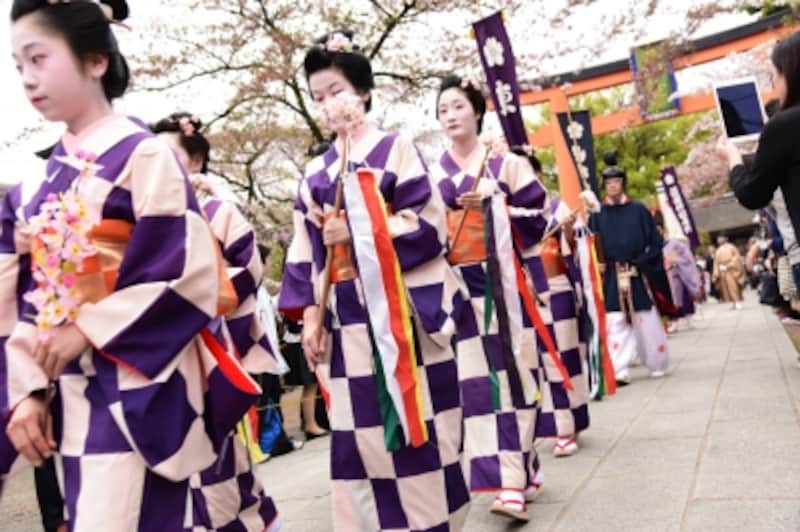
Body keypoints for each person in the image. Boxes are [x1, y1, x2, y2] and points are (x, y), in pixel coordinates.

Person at [2, 2, 272, 529]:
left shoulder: (143, 154)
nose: (29, 80)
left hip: (137, 382)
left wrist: (85, 327)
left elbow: (188, 272)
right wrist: (27, 389)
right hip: (69, 393)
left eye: (39, 59)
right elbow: (17, 299)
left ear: (96, 60)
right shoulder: (33, 185)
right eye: (18, 66)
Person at [278, 31, 469, 531]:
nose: (329, 105)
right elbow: (305, 254)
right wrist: (311, 317)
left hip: (401, 314)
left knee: (419, 422)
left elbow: (429, 225)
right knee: (359, 436)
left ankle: (431, 522)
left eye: (338, 91)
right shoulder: (314, 173)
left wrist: (360, 230)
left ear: (363, 92)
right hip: (346, 315)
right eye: (318, 97)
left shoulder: (395, 148)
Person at [432, 75, 573, 520]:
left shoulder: (505, 163)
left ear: (476, 110)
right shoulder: (434, 172)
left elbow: (542, 215)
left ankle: (512, 483)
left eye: (457, 106)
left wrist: (496, 204)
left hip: (507, 291)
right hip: (460, 292)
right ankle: (517, 472)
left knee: (514, 378)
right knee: (477, 387)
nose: (450, 115)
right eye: (442, 110)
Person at [152, 112, 280, 529]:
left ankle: (246, 520)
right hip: (168, 351)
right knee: (186, 462)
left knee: (218, 461)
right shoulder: (149, 216)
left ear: (196, 159)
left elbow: (250, 269)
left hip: (213, 345)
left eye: (169, 155)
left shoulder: (218, 211)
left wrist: (195, 298)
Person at [718, 31, 800, 297]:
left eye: (775, 75)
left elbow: (753, 194)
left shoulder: (784, 126)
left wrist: (734, 160)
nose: (774, 84)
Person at [589, 152, 673, 384]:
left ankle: (656, 362)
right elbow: (590, 245)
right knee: (616, 318)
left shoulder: (638, 209)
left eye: (616, 182)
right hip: (612, 273)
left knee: (645, 317)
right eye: (608, 183)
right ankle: (620, 368)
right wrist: (598, 262)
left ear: (622, 183)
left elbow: (655, 242)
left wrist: (644, 260)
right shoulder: (597, 214)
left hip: (637, 270)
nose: (612, 186)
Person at [655, 213, 702, 332]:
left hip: (679, 272)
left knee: (684, 296)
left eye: (659, 229)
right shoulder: (655, 245)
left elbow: (686, 255)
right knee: (670, 298)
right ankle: (674, 321)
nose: (658, 232)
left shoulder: (674, 242)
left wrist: (675, 260)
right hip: (666, 275)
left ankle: (689, 319)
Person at [712, 234, 745, 310]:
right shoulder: (718, 250)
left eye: (721, 238)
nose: (719, 240)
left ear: (726, 238)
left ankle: (737, 302)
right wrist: (716, 272)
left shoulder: (731, 247)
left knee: (733, 286)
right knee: (725, 288)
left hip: (731, 270)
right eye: (718, 238)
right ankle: (733, 302)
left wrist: (728, 265)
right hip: (722, 270)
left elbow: (736, 258)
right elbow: (716, 262)